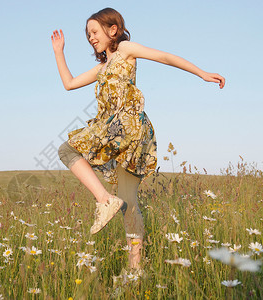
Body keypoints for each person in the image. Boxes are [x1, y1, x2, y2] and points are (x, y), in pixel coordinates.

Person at [51, 7, 225, 270]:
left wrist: (201, 73)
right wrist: (58, 52)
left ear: (113, 30)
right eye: (88, 34)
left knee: (67, 150)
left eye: (95, 31)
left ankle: (104, 200)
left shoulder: (126, 50)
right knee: (129, 203)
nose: (91, 38)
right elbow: (69, 83)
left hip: (126, 125)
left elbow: (164, 56)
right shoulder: (102, 67)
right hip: (123, 130)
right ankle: (136, 270)